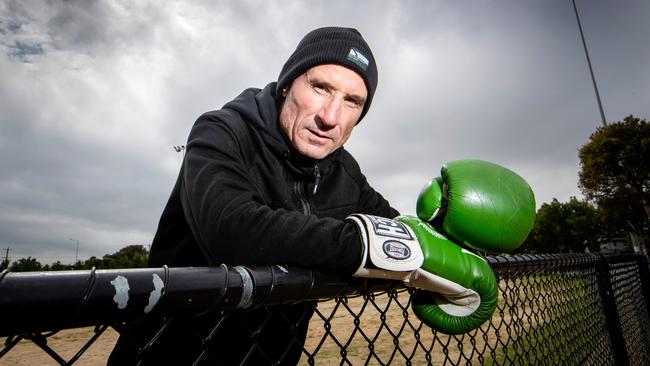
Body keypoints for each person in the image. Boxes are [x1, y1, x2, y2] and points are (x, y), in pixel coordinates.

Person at [109, 26, 399, 365]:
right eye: (321, 88)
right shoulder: (221, 132)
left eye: (352, 102)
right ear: (288, 83)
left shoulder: (343, 171)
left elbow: (399, 229)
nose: (330, 117)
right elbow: (232, 229)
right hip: (169, 356)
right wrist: (363, 245)